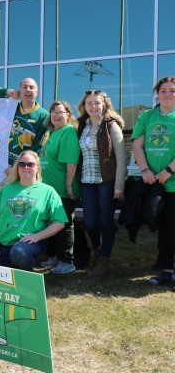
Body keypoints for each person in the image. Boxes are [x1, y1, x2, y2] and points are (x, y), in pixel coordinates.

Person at [0, 150, 67, 271]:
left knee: (19, 253)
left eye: (30, 164)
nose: (26, 167)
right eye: (22, 164)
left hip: (29, 244)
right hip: (4, 243)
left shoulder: (48, 191)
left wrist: (37, 236)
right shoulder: (6, 189)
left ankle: (25, 276)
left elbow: (59, 222)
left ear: (38, 167)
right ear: (17, 167)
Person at [77, 90, 126, 276]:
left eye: (97, 103)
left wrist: (119, 185)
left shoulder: (111, 125)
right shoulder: (82, 125)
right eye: (89, 103)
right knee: (89, 222)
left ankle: (105, 259)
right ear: (84, 106)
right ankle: (98, 250)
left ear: (104, 105)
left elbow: (122, 157)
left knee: (106, 221)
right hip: (86, 181)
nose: (93, 106)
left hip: (106, 181)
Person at [132, 76, 175, 286]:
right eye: (164, 90)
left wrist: (169, 169)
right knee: (165, 227)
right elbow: (137, 145)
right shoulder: (147, 116)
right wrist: (145, 169)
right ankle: (166, 269)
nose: (168, 93)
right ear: (157, 93)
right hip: (155, 182)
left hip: (172, 180)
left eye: (172, 90)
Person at [39, 101, 80, 274]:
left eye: (60, 112)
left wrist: (69, 186)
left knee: (64, 224)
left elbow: (71, 161)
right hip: (49, 189)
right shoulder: (50, 133)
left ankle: (67, 261)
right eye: (53, 112)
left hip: (62, 189)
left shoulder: (68, 132)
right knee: (53, 223)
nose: (56, 115)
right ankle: (57, 256)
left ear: (68, 115)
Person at [0, 78, 49, 170]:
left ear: (37, 92)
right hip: (2, 166)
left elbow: (39, 147)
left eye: (31, 87)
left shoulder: (44, 115)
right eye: (25, 87)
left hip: (24, 168)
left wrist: (19, 166)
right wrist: (7, 92)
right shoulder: (10, 107)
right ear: (20, 91)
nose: (28, 89)